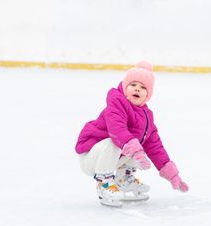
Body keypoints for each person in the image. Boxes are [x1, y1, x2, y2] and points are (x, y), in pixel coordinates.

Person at [75, 61, 188, 207]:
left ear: (148, 95)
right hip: (92, 157)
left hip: (114, 158)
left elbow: (155, 147)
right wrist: (135, 150)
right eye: (133, 85)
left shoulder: (146, 117)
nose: (137, 89)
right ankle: (104, 184)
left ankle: (123, 180)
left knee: (138, 145)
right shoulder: (116, 104)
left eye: (143, 87)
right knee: (119, 142)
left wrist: (172, 174)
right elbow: (117, 130)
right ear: (124, 86)